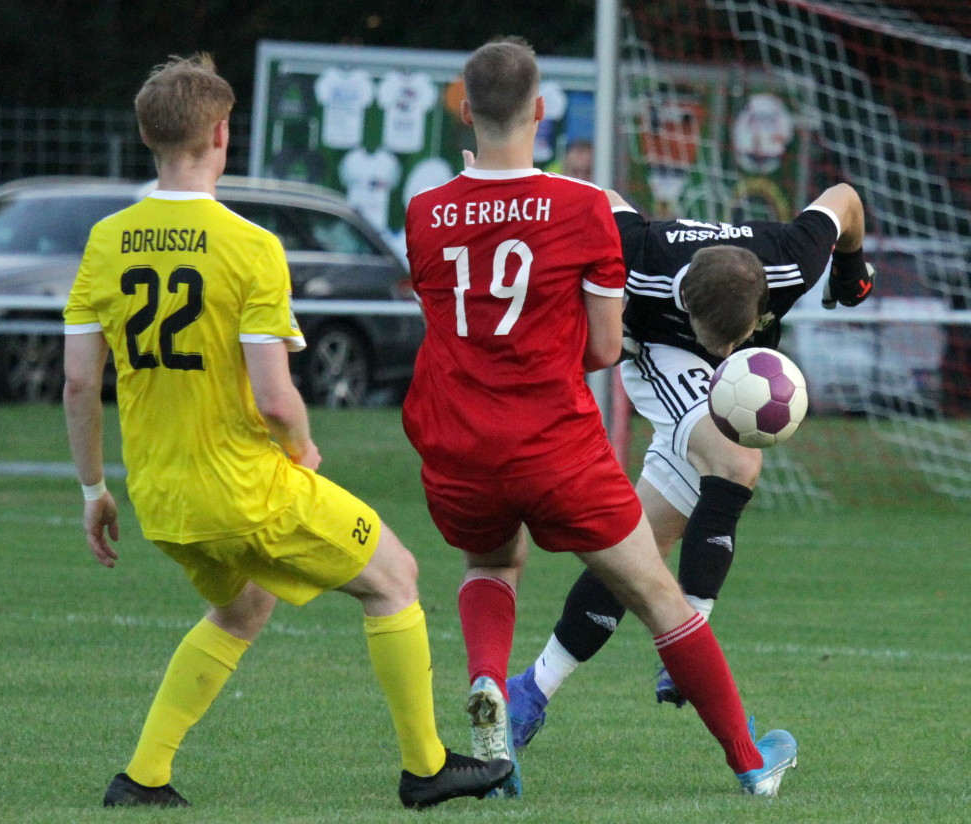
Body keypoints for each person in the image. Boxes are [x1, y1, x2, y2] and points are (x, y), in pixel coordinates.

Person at [62, 53, 512, 811]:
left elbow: (79, 383)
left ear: (149, 135)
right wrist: (301, 448)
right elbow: (276, 397)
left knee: (242, 607)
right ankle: (427, 768)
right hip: (244, 486)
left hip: (164, 500)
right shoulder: (251, 246)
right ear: (222, 136)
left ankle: (142, 777)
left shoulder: (107, 240)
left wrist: (93, 489)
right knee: (396, 577)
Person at [402, 36, 798, 800]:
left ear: (465, 110)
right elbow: (606, 347)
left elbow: (446, 319)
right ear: (540, 112)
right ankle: (752, 761)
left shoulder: (424, 213)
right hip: (554, 445)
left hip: (458, 442)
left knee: (490, 564)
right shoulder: (583, 207)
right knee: (658, 596)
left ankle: (491, 694)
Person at [507, 180, 875, 743]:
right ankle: (689, 640)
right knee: (737, 463)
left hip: (718, 380)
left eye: (739, 339)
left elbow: (845, 199)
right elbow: (597, 198)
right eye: (715, 340)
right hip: (658, 355)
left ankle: (530, 692)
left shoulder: (791, 259)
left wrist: (850, 274)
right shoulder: (642, 257)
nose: (726, 355)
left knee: (636, 552)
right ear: (685, 305)